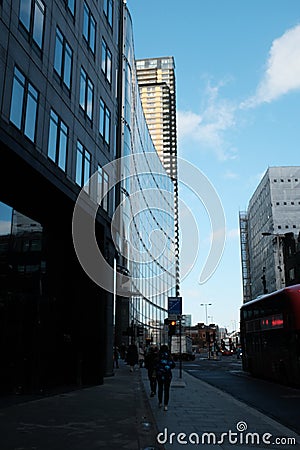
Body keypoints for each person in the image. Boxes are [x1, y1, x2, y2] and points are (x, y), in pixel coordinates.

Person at [155, 344, 175, 411]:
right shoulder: (169, 357)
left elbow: (155, 365)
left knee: (160, 388)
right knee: (167, 390)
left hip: (160, 374)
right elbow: (173, 365)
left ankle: (160, 402)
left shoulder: (158, 356)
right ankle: (165, 405)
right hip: (167, 375)